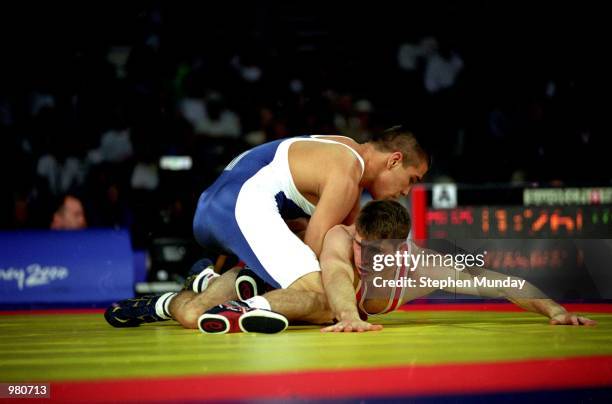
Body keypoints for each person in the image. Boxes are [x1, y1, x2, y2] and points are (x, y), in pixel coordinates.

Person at [105, 126, 430, 330]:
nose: (407, 191)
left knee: (194, 317)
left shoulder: (342, 147)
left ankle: (174, 301)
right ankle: (242, 293)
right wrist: (344, 298)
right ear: (394, 160)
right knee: (327, 299)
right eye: (412, 180)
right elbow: (318, 247)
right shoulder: (347, 176)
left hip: (213, 207)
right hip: (241, 207)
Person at [201, 199, 598, 333]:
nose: (365, 260)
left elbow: (499, 281)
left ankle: (247, 304)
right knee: (321, 295)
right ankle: (230, 287)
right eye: (362, 248)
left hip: (317, 304)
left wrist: (554, 309)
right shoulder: (341, 238)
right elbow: (338, 273)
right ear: (356, 234)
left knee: (322, 303)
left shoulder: (422, 264)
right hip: (289, 273)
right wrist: (348, 316)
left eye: (377, 255)